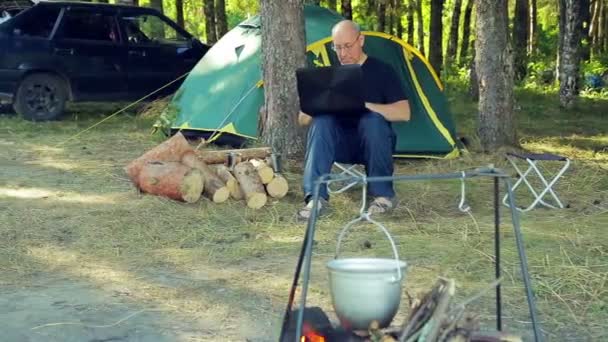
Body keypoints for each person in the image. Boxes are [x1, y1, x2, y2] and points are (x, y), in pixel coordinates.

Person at [297, 20, 411, 221]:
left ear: (361, 40)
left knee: (372, 120)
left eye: (347, 46)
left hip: (374, 143)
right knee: (322, 121)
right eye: (337, 47)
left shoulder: (382, 71)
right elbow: (303, 119)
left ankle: (383, 196)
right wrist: (324, 104)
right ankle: (316, 199)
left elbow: (404, 113)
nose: (342, 54)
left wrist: (365, 105)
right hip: (339, 145)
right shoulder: (330, 77)